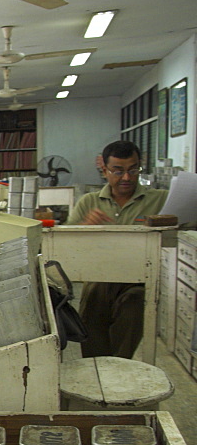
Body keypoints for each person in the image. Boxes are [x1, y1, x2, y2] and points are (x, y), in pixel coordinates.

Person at [67, 139, 169, 358]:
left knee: (133, 310)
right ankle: (98, 378)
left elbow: (188, 222)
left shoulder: (161, 200)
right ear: (104, 170)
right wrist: (85, 227)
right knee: (92, 340)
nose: (126, 177)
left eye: (133, 170)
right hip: (98, 280)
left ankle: (120, 375)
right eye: (118, 171)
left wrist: (169, 222)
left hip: (137, 279)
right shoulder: (89, 202)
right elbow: (65, 244)